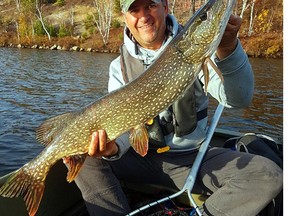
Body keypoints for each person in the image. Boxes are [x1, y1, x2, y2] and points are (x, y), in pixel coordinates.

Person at [70, 0, 283, 215]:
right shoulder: (119, 67)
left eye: (151, 5)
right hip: (139, 159)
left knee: (268, 175)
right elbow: (125, 127)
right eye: (134, 10)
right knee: (78, 157)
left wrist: (228, 47)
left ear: (165, 7)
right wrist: (112, 149)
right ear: (125, 17)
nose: (143, 16)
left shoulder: (193, 50)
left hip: (191, 160)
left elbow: (238, 99)